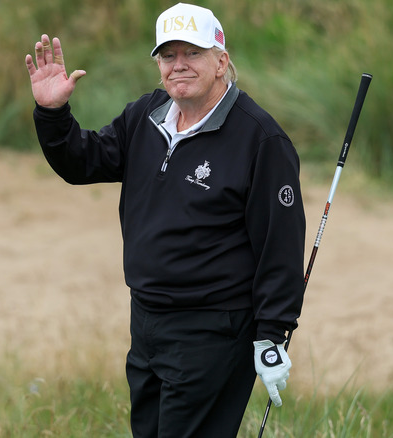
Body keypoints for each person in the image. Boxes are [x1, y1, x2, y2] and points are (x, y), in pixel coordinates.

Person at [25, 3, 306, 436]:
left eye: (192, 53)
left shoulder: (260, 138)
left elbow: (280, 244)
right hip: (148, 320)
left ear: (221, 61)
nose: (179, 66)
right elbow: (83, 162)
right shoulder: (146, 115)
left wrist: (272, 334)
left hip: (214, 328)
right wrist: (52, 114)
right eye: (168, 55)